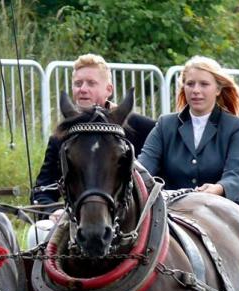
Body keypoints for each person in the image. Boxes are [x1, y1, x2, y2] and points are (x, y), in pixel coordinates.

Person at [27, 54, 156, 247]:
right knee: (37, 233)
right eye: (78, 83)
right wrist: (52, 211)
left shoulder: (141, 127)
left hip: (133, 225)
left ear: (109, 90)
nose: (83, 89)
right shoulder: (61, 135)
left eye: (91, 83)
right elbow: (42, 188)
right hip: (77, 221)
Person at [138, 55, 239, 213]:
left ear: (218, 89)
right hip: (170, 211)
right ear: (183, 87)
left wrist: (219, 188)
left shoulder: (236, 127)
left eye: (204, 84)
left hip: (224, 209)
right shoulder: (165, 125)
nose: (196, 90)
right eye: (190, 84)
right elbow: (143, 168)